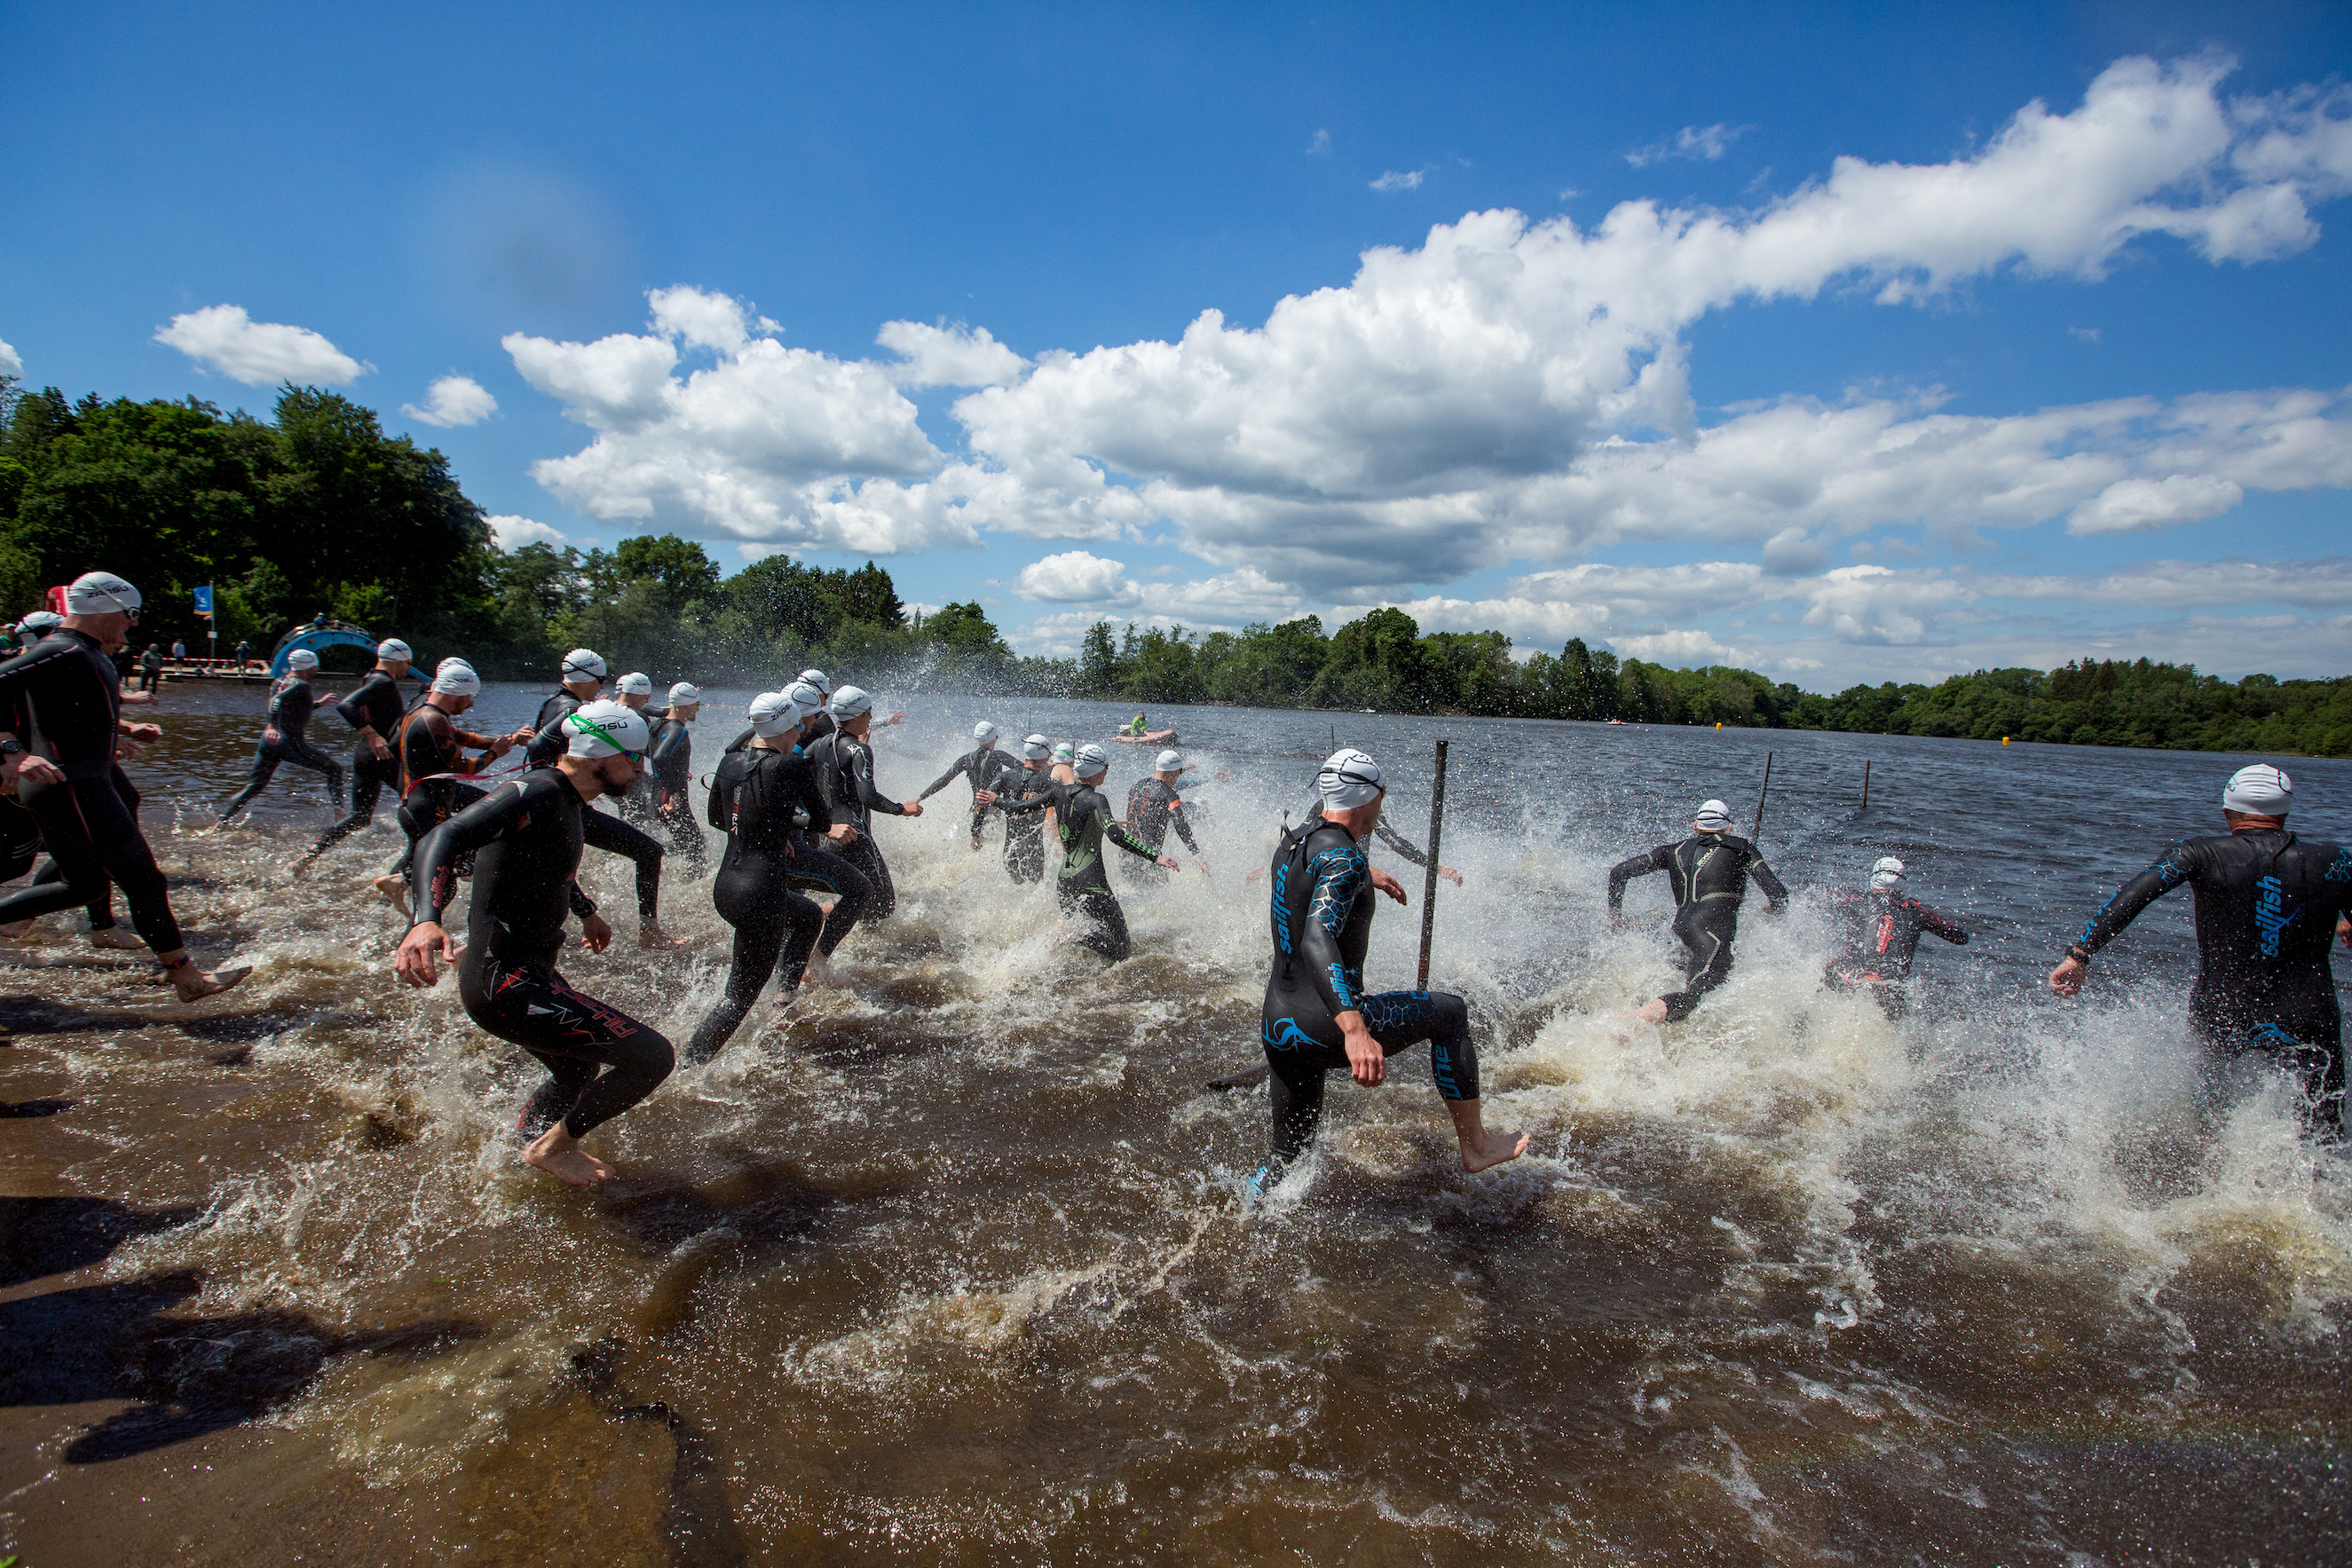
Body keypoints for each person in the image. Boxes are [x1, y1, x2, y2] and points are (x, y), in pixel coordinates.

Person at [393, 699, 673, 1186]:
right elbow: (442, 837)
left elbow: (544, 864)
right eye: (633, 758)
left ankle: (517, 1158)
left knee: (576, 1072)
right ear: (601, 754)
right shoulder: (535, 791)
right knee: (652, 1057)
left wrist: (587, 913)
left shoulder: (565, 799)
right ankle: (552, 1148)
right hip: (505, 980)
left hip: (524, 973)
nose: (639, 769)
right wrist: (425, 920)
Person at [1251, 748, 1527, 1198]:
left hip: (1279, 1023)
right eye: (1382, 794)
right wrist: (1355, 1030)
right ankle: (1477, 1146)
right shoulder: (1344, 858)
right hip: (1325, 1025)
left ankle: (1245, 1217)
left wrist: (1362, 875)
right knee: (1450, 1013)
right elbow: (1317, 939)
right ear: (1367, 796)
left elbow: (1308, 886)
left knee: (1287, 1154)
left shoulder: (1297, 839)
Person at [2049, 764, 2352, 1136]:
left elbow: (2135, 895)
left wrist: (2080, 955)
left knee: (2209, 1114)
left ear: (2227, 811)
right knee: (2324, 1129)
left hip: (2225, 1007)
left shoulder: (2198, 852)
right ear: (2284, 812)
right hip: (2308, 1013)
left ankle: (2206, 1181)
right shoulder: (2337, 861)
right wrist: (2333, 918)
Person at [0, 571, 248, 999]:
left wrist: (119, 735)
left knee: (85, 886)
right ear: (102, 607)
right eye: (129, 613)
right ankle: (188, 979)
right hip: (71, 786)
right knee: (146, 881)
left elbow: (71, 714)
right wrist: (11, 751)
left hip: (70, 783)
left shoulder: (84, 652)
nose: (132, 624)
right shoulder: (62, 649)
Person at [683, 689, 834, 1063]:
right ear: (785, 725)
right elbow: (821, 821)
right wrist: (785, 825)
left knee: (808, 915)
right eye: (797, 725)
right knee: (738, 998)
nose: (801, 733)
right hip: (760, 893)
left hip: (728, 885)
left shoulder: (731, 761)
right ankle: (689, 1065)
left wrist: (768, 831)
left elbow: (718, 819)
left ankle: (784, 1003)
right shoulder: (789, 766)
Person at [988, 742, 1176, 960]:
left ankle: (1071, 945)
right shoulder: (1097, 799)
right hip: (1091, 882)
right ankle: (1073, 937)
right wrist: (1156, 856)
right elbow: (1115, 835)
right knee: (1122, 948)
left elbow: (1019, 807)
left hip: (1065, 883)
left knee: (1093, 931)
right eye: (1106, 766)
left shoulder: (1058, 792)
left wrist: (996, 800)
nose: (1107, 770)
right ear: (1097, 770)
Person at [1606, 798, 1787, 1023]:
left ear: (1695, 827)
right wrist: (1771, 913)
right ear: (1728, 828)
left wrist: (1615, 920)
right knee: (1695, 998)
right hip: (1710, 938)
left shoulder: (1672, 850)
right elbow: (1779, 895)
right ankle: (1628, 1021)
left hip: (1680, 934)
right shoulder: (1742, 848)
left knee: (1686, 995)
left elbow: (1618, 873)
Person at [368, 660, 525, 910]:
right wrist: (496, 754)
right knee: (444, 884)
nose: (472, 704)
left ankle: (398, 886)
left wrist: (509, 740)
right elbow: (463, 768)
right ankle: (410, 915)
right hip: (426, 809)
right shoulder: (432, 720)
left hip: (418, 806)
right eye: (470, 698)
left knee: (454, 863)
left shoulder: (426, 714)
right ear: (456, 692)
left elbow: (468, 738)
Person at [804, 685, 921, 918]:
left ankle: (828, 922)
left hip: (828, 836)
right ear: (857, 715)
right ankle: (823, 916)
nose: (871, 717)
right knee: (884, 904)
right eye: (868, 712)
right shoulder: (859, 750)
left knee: (860, 896)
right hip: (855, 838)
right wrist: (901, 809)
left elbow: (795, 766)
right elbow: (867, 796)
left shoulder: (821, 743)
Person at [301, 637, 416, 867]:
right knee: (420, 806)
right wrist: (372, 734)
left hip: (365, 756)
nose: (409, 668)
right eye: (408, 662)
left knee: (360, 818)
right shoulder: (384, 682)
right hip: (383, 756)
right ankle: (422, 864)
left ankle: (312, 852)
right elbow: (346, 705)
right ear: (399, 659)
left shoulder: (370, 677)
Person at [1821, 856, 1969, 1018]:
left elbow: (1817, 900)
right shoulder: (1917, 913)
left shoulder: (1853, 902)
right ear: (1902, 884)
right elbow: (1961, 937)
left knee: (1827, 976)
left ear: (1873, 880)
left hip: (1846, 978)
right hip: (1887, 990)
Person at [218, 648, 347, 824]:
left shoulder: (280, 681)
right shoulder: (301, 685)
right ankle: (340, 817)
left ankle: (221, 822)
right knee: (335, 769)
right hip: (289, 742)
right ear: (307, 666)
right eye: (315, 666)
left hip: (269, 743)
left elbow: (291, 707)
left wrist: (318, 704)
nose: (316, 669)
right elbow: (276, 701)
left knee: (255, 786)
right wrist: (271, 726)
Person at [919, 721, 1021, 850]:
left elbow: (944, 780)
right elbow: (1026, 770)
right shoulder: (999, 756)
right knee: (988, 846)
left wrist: (919, 798)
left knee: (965, 848)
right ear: (994, 738)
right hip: (990, 812)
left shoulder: (966, 759)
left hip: (974, 812)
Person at [1123, 749, 1209, 884]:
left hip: (1127, 853)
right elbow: (1180, 824)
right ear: (1174, 772)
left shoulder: (1136, 787)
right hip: (1151, 856)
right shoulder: (1169, 794)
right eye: (1180, 772)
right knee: (1157, 896)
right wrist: (1197, 855)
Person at [645, 682, 705, 869]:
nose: (698, 708)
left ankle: (662, 865)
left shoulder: (659, 725)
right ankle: (689, 887)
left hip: (659, 797)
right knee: (696, 848)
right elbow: (660, 756)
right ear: (686, 706)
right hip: (670, 801)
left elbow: (651, 751)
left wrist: (678, 769)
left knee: (689, 845)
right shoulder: (678, 730)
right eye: (696, 704)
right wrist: (672, 792)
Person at [524, 648, 608, 765]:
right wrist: (551, 779)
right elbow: (536, 744)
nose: (603, 686)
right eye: (601, 680)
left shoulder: (554, 700)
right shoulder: (572, 710)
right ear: (586, 678)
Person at [994, 735, 1056, 885]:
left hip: (1010, 849)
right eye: (1048, 756)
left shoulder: (1005, 776)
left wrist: (975, 833)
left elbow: (981, 802)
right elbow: (1073, 798)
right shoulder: (1048, 783)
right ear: (1043, 755)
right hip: (1033, 851)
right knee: (1033, 892)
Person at [612, 673, 659, 827]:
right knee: (641, 816)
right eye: (647, 696)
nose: (647, 700)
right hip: (630, 776)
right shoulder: (639, 717)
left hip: (607, 775)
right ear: (636, 694)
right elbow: (652, 751)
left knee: (628, 812)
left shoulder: (607, 710)